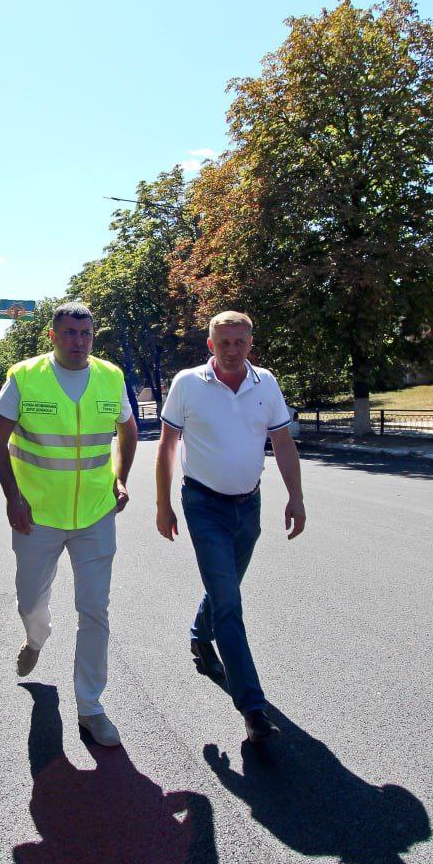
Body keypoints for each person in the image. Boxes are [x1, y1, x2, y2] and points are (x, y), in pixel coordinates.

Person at [0, 301, 139, 747]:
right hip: (36, 515)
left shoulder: (111, 376)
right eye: (69, 333)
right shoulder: (25, 376)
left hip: (95, 513)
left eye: (86, 334)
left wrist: (121, 478)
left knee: (95, 611)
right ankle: (36, 637)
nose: (78, 341)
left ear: (94, 337)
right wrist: (13, 497)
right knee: (30, 601)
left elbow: (127, 429)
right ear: (53, 336)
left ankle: (90, 707)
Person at [154, 311, 305, 746]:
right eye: (225, 343)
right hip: (203, 505)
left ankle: (201, 638)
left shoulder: (266, 383)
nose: (233, 350)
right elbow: (167, 444)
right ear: (210, 345)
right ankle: (253, 708)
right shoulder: (188, 384)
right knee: (230, 604)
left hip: (249, 504)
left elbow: (282, 441)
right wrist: (163, 504)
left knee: (225, 591)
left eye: (241, 342)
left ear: (251, 342)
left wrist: (296, 497)